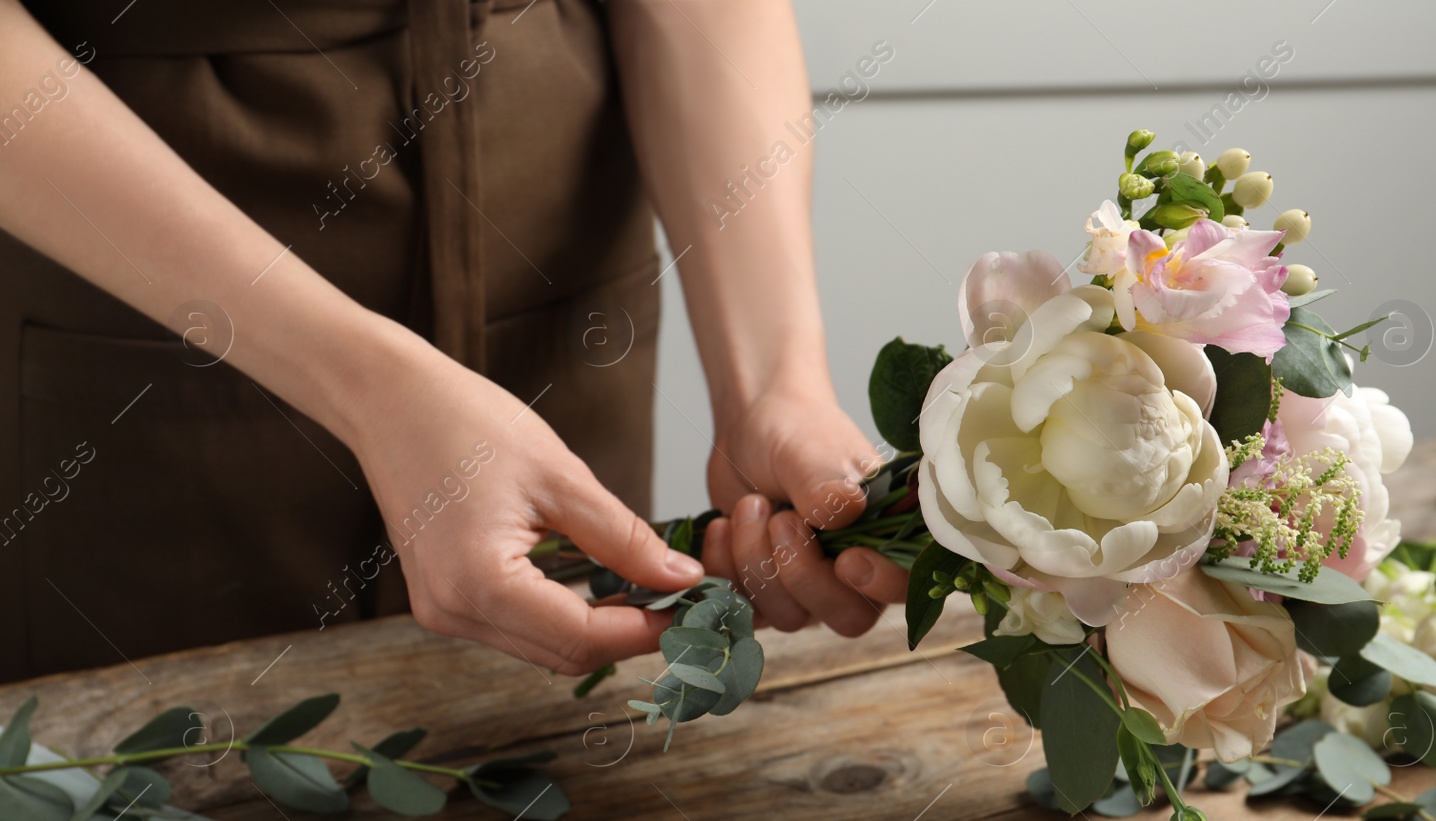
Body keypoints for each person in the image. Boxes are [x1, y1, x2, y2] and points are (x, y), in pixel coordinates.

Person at [0, 0, 907, 685]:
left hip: (555, 247)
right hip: (149, 270)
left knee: (549, 775)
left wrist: (770, 381)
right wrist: (371, 386)